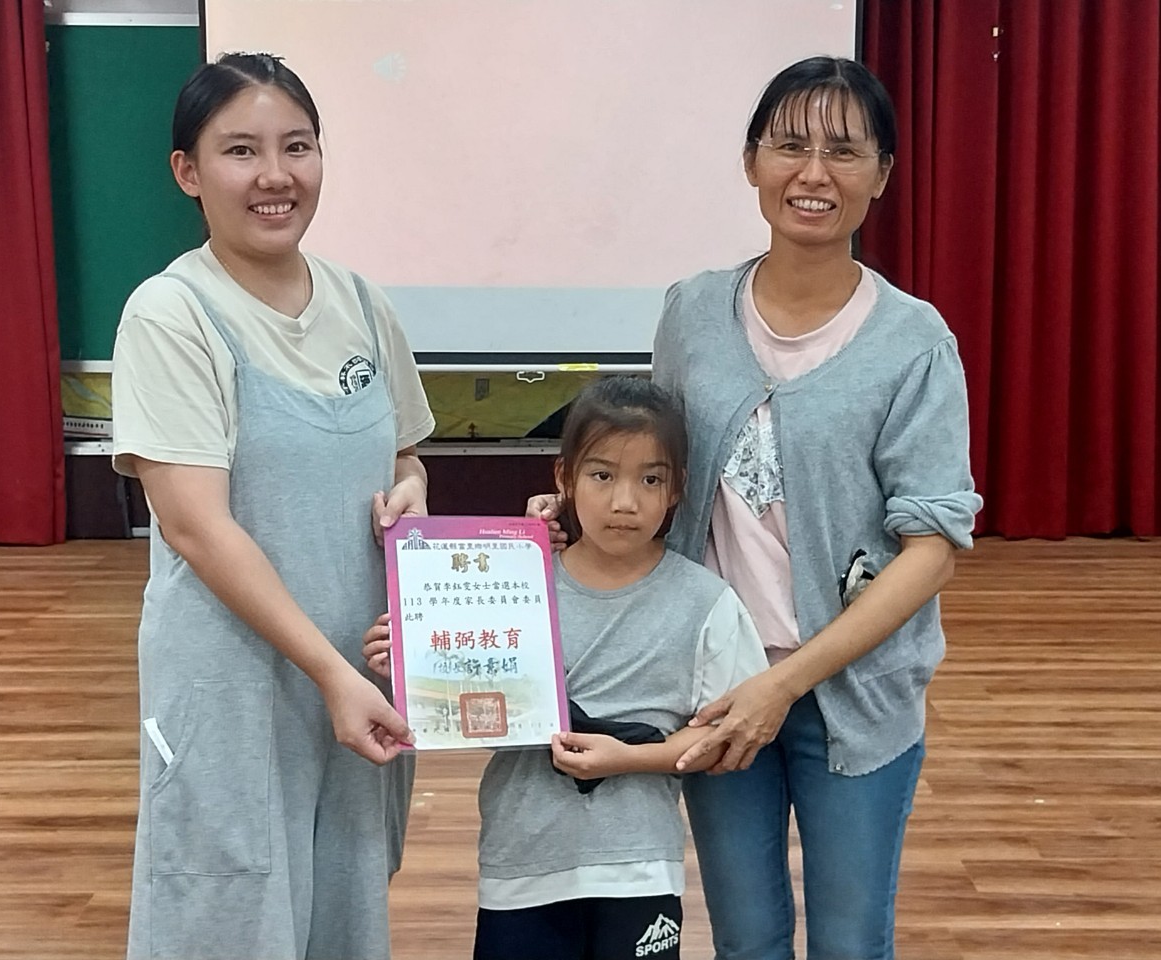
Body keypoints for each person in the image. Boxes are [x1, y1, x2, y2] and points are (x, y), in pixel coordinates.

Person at [530, 57, 983, 960]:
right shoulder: (694, 312)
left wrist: (784, 684)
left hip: (856, 696)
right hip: (713, 684)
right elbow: (653, 469)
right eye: (790, 146)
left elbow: (931, 547)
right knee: (745, 937)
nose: (814, 173)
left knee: (851, 941)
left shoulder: (914, 341)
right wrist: (577, 512)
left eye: (844, 151)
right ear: (751, 162)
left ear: (882, 175)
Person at [110, 53, 435, 960]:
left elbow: (403, 452)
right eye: (241, 151)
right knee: (227, 916)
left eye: (297, 146)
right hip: (234, 683)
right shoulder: (171, 314)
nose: (275, 175)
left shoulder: (362, 304)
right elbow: (196, 526)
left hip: (359, 673)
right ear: (188, 172)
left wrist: (411, 488)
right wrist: (329, 675)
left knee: (345, 911)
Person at [364, 377, 767, 960]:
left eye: (650, 479)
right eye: (602, 475)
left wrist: (630, 758)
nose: (625, 501)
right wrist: (414, 668)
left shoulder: (708, 603)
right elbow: (478, 714)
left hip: (638, 870)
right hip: (521, 865)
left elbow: (726, 735)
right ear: (565, 478)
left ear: (677, 487)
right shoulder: (510, 587)